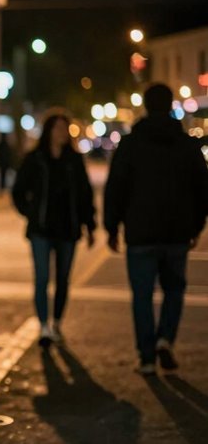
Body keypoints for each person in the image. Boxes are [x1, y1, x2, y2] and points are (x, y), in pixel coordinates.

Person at [103, 83, 208, 375]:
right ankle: (166, 338)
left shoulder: (131, 144)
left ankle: (147, 357)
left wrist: (112, 228)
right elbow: (202, 188)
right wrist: (197, 224)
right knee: (175, 289)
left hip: (140, 232)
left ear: (146, 106)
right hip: (177, 232)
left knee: (142, 295)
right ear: (170, 104)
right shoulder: (186, 144)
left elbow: (116, 189)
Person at [11, 111, 96, 348]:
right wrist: (31, 213)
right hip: (41, 229)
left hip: (67, 228)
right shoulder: (35, 158)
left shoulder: (74, 160)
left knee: (63, 279)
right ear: (48, 131)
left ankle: (57, 321)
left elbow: (84, 195)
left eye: (64, 128)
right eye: (57, 128)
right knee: (41, 278)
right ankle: (44, 326)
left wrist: (90, 225)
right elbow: (18, 191)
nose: (61, 133)